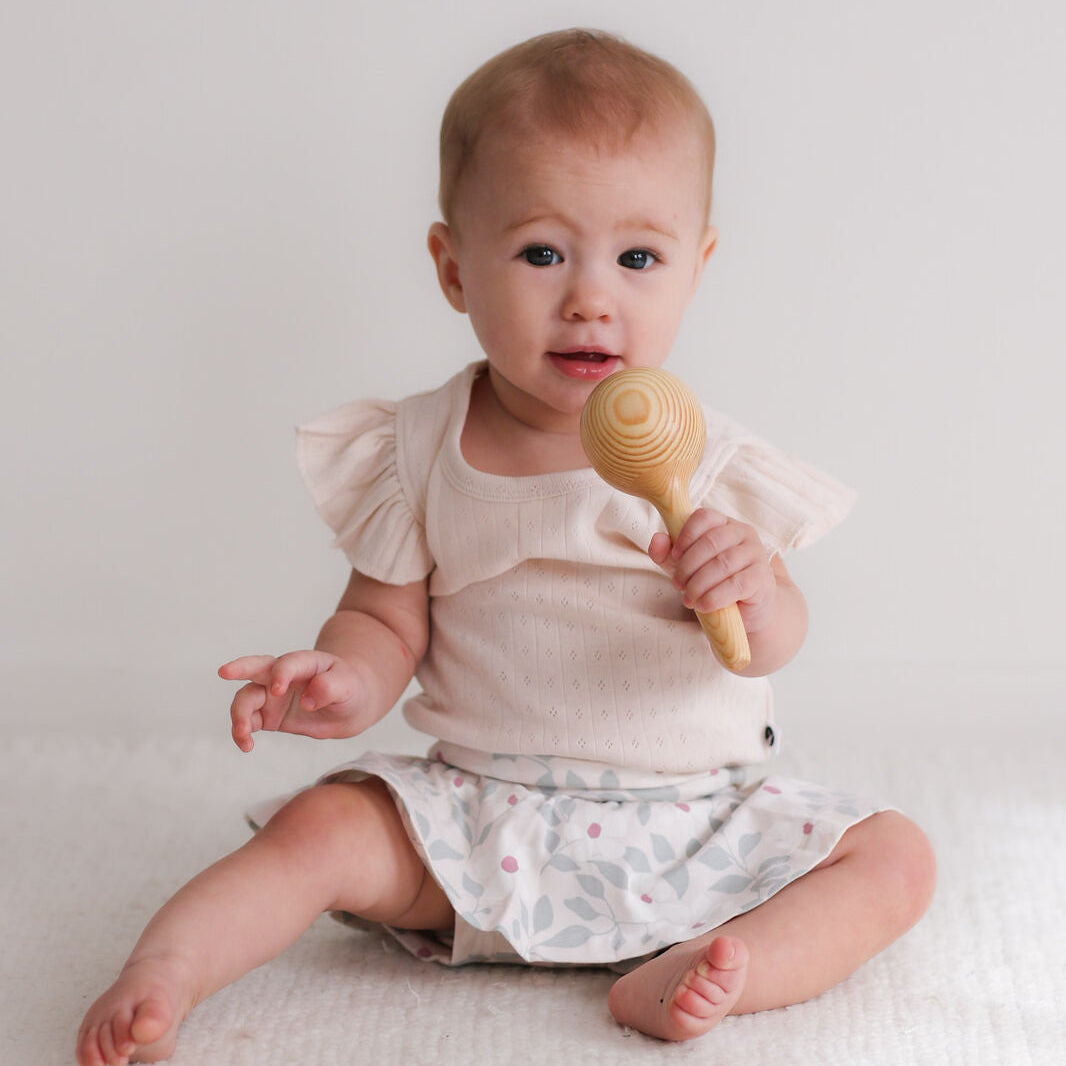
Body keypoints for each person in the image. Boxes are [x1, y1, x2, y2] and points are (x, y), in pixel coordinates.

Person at [76, 28, 935, 1064]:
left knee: (894, 859)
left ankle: (720, 959)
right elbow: (384, 616)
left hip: (699, 821)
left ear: (695, 267)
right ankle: (163, 971)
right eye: (540, 252)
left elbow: (767, 643)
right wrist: (343, 678)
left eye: (637, 257)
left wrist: (752, 593)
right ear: (452, 267)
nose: (588, 295)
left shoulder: (707, 462)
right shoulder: (421, 448)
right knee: (318, 832)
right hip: (477, 817)